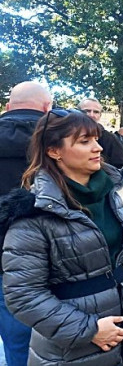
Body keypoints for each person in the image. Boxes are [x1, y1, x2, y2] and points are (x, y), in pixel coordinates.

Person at [0, 109, 123, 365]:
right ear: (54, 151)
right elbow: (23, 295)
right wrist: (90, 330)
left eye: (96, 139)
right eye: (84, 141)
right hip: (76, 345)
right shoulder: (35, 212)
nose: (98, 147)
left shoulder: (114, 187)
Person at [0, 81, 52, 366]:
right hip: (51, 257)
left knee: (16, 343)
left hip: (2, 262)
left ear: (8, 107)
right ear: (47, 107)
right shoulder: (59, 140)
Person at [79, 98, 123, 187]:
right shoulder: (67, 137)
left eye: (96, 112)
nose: (91, 115)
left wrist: (119, 192)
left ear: (100, 115)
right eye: (87, 111)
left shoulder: (110, 139)